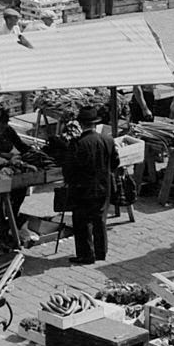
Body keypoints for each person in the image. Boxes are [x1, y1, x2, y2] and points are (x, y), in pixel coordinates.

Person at [61, 106, 120, 265]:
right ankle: (101, 252)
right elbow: (115, 162)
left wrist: (70, 182)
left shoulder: (78, 143)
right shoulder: (107, 140)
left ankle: (86, 254)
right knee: (100, 220)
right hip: (103, 186)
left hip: (83, 188)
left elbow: (69, 168)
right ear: (95, 123)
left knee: (82, 222)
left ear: (81, 124)